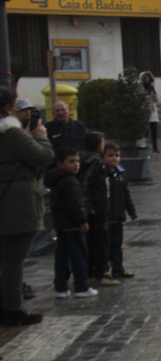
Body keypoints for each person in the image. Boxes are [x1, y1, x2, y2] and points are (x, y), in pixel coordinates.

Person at [0, 88, 54, 326]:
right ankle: (12, 309)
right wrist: (40, 135)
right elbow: (43, 156)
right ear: (7, 108)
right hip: (18, 205)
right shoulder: (11, 134)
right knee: (13, 260)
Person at [45, 147, 97, 300]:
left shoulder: (57, 180)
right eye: (71, 161)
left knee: (62, 256)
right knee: (78, 256)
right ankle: (81, 286)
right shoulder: (69, 182)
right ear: (61, 164)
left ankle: (60, 287)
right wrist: (82, 221)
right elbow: (74, 205)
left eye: (77, 161)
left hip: (62, 225)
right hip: (72, 225)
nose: (76, 164)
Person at [79, 132, 119, 287]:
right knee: (101, 242)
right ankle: (99, 274)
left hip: (92, 206)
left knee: (90, 242)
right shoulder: (96, 163)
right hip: (98, 208)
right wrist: (90, 206)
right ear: (99, 145)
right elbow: (87, 184)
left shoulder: (82, 159)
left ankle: (90, 273)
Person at [103, 142, 137, 279]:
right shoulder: (102, 173)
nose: (114, 158)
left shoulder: (121, 174)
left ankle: (118, 268)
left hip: (118, 215)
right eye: (110, 156)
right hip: (106, 215)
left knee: (117, 244)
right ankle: (104, 269)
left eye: (116, 156)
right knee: (105, 245)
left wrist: (131, 211)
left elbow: (126, 194)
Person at [141, 71, 161, 154]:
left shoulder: (152, 89)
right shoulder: (142, 88)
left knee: (154, 130)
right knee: (145, 131)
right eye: (146, 78)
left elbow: (156, 100)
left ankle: (155, 147)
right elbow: (144, 98)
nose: (147, 80)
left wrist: (154, 91)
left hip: (152, 110)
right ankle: (145, 145)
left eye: (148, 78)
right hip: (145, 111)